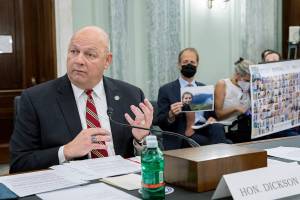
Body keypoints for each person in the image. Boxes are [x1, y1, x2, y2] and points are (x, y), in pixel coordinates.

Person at [9, 26, 153, 173]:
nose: (78, 60)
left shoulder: (132, 95)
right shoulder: (35, 99)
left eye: (90, 55)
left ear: (107, 61)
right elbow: (19, 163)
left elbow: (158, 153)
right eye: (74, 51)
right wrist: (66, 151)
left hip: (123, 184)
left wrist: (140, 140)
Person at [157, 48, 230, 150]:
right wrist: (170, 115)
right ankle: (220, 156)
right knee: (216, 143)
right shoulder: (166, 90)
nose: (189, 65)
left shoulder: (204, 88)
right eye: (185, 62)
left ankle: (221, 161)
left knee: (217, 127)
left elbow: (213, 114)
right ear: (179, 64)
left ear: (197, 65)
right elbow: (159, 121)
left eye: (192, 62)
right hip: (181, 134)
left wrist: (213, 118)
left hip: (204, 129)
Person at [214, 58, 253, 142]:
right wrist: (235, 108)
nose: (249, 83)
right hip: (225, 131)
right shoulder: (223, 84)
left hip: (243, 129)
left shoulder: (249, 87)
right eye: (247, 80)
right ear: (237, 75)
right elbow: (218, 115)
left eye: (251, 80)